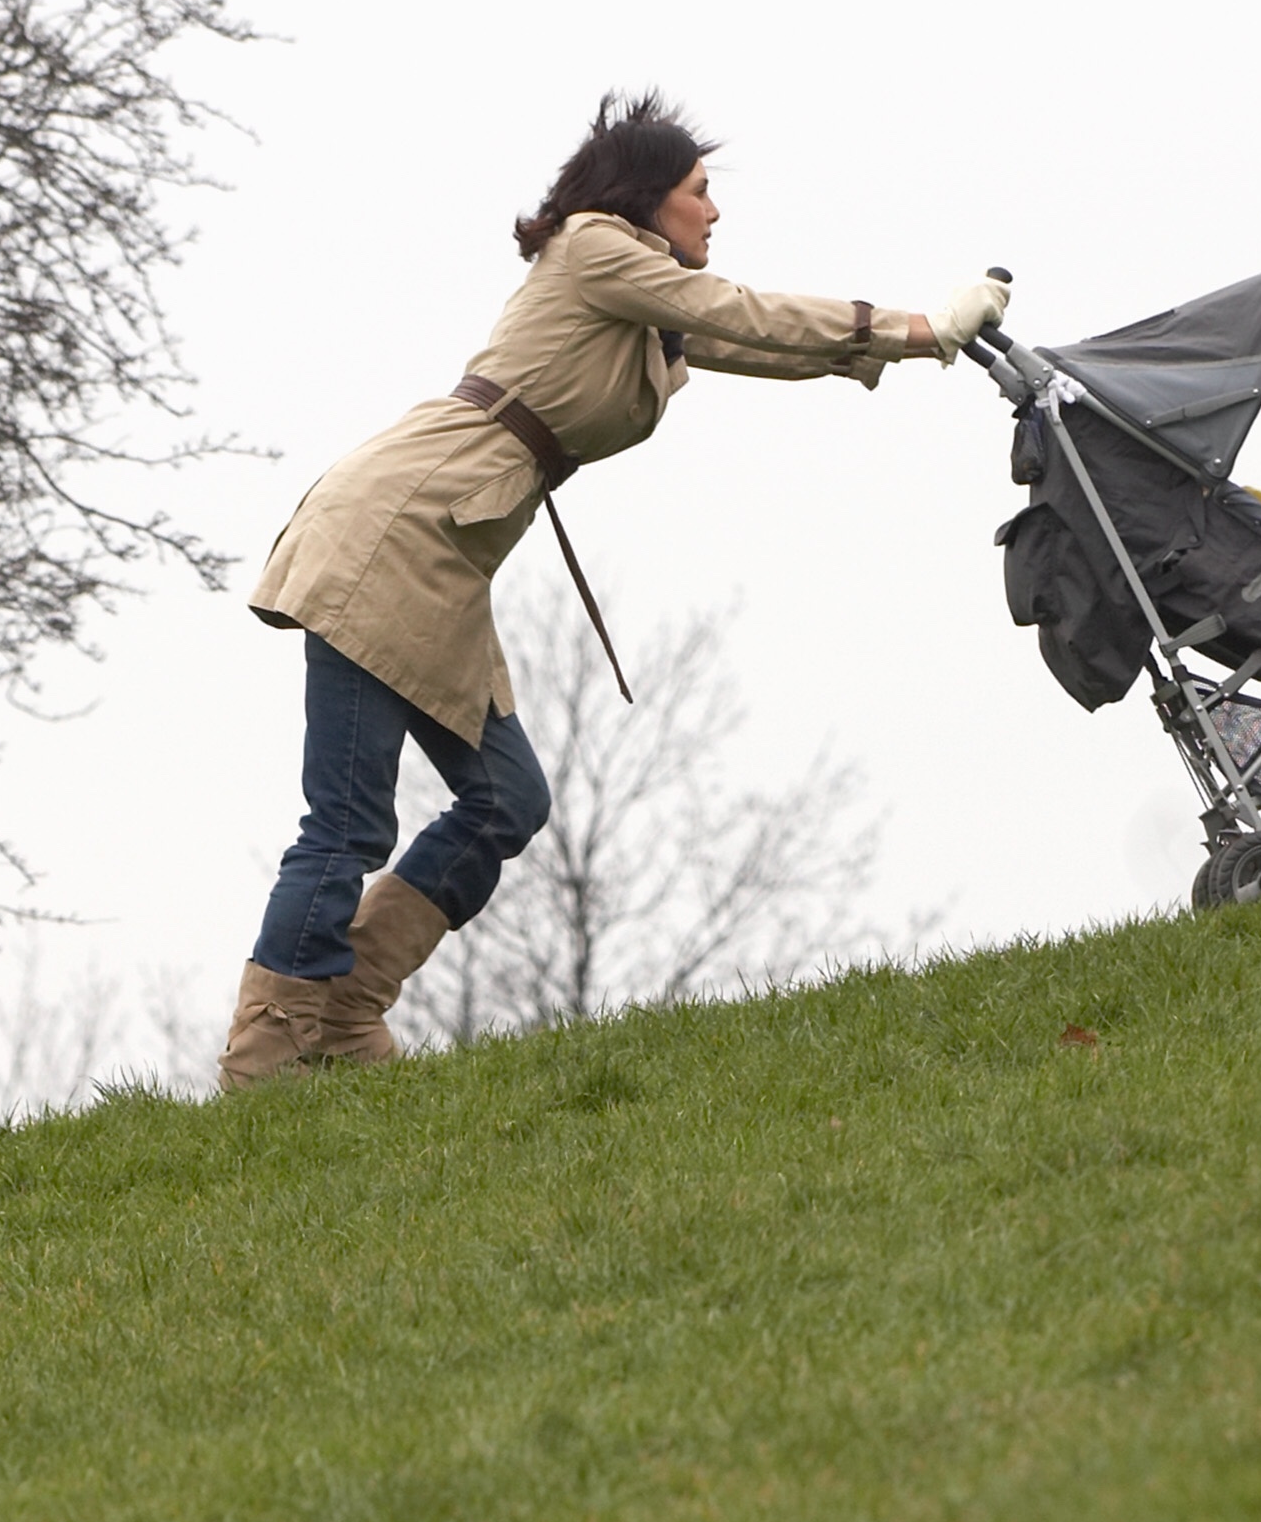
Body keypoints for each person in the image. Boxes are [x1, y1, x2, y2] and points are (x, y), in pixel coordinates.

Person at [222, 95, 1005, 1089]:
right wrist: (913, 320)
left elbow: (752, 342)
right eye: (698, 192)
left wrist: (925, 343)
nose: (713, 213)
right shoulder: (595, 248)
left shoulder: (635, 302)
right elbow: (735, 308)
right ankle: (265, 1063)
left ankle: (342, 1012)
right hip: (390, 535)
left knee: (506, 798)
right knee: (345, 824)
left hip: (445, 554)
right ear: (646, 199)